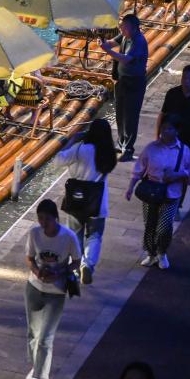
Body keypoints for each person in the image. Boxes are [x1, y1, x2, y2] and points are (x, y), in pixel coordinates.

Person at [24, 199, 81, 379]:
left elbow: (76, 261)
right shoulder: (34, 233)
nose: (43, 223)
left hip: (56, 292)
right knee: (33, 334)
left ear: (55, 218)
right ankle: (36, 367)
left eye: (47, 219)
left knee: (45, 338)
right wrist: (36, 271)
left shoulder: (68, 237)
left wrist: (59, 272)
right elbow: (29, 258)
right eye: (40, 219)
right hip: (34, 288)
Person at [126, 114, 190, 269]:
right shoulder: (151, 148)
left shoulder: (184, 151)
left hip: (171, 193)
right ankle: (151, 254)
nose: (165, 132)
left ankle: (162, 252)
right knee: (149, 224)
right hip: (151, 192)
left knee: (164, 226)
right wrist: (130, 187)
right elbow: (139, 169)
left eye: (169, 129)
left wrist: (179, 174)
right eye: (163, 128)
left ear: (177, 131)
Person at [55, 118, 117, 285]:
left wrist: (72, 140)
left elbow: (58, 160)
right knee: (95, 235)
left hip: (76, 199)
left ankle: (76, 266)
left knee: (75, 234)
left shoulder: (80, 149)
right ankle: (88, 264)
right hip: (98, 201)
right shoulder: (108, 152)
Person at [99, 13, 148, 161]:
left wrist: (107, 51)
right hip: (122, 80)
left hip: (134, 82)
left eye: (124, 27)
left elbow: (126, 59)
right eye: (121, 27)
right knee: (120, 114)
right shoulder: (125, 35)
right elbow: (111, 43)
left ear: (134, 28)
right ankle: (121, 144)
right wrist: (102, 40)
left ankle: (128, 148)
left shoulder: (138, 41)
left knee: (130, 116)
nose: (121, 29)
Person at [158, 64, 190, 208]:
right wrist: (157, 136)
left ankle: (176, 203)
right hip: (169, 140)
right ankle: (163, 198)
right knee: (165, 168)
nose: (187, 82)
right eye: (184, 78)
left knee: (182, 173)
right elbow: (162, 115)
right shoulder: (172, 94)